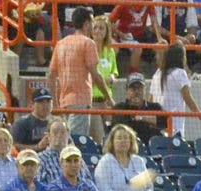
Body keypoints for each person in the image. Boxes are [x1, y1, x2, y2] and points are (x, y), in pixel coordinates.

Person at [47, 7, 112, 137]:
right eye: (92, 22)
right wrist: (108, 97)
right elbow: (96, 74)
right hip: (81, 101)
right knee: (76, 142)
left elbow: (51, 76)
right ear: (87, 24)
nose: (93, 26)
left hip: (64, 102)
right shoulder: (88, 43)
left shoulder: (61, 43)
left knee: (66, 141)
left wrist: (55, 102)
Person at [149, 42, 201, 137]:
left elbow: (150, 100)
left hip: (158, 123)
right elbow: (188, 99)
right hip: (174, 123)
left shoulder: (157, 73)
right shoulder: (179, 73)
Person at [109, 73, 164, 146]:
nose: (136, 92)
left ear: (145, 90)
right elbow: (118, 127)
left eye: (139, 88)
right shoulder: (119, 108)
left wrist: (142, 117)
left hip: (151, 149)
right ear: (127, 90)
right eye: (133, 88)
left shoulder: (155, 107)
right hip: (127, 148)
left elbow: (164, 123)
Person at [90, 16, 119, 144]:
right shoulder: (88, 50)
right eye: (95, 28)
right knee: (99, 137)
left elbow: (114, 73)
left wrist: (111, 78)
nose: (97, 31)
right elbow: (90, 79)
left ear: (107, 31)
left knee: (109, 138)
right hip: (92, 101)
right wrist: (106, 80)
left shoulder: (110, 52)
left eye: (101, 28)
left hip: (107, 102)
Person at [37, 119, 93, 185]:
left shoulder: (77, 158)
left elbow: (89, 182)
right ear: (48, 136)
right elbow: (37, 186)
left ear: (68, 135)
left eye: (62, 132)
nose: (59, 135)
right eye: (55, 132)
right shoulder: (40, 159)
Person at [10, 87, 54, 152]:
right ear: (32, 104)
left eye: (48, 101)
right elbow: (13, 145)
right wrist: (37, 147)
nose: (45, 105)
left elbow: (70, 144)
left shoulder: (57, 123)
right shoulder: (22, 123)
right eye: (40, 102)